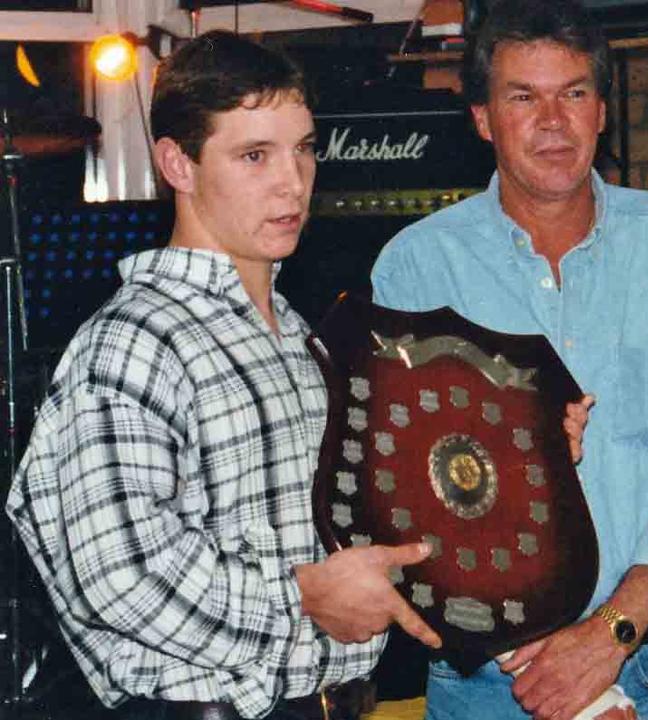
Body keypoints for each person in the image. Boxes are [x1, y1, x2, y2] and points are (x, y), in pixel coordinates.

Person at [4, 31, 586, 720]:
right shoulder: (136, 342)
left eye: (304, 148)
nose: (293, 181)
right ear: (176, 164)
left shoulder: (297, 337)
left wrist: (523, 465)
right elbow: (119, 578)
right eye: (254, 155)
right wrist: (301, 596)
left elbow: (374, 521)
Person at [370, 1, 648, 718]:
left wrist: (606, 639)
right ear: (483, 118)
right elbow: (405, 502)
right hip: (490, 687)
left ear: (602, 111)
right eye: (524, 97)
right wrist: (550, 665)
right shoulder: (418, 269)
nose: (553, 120)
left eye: (573, 93)